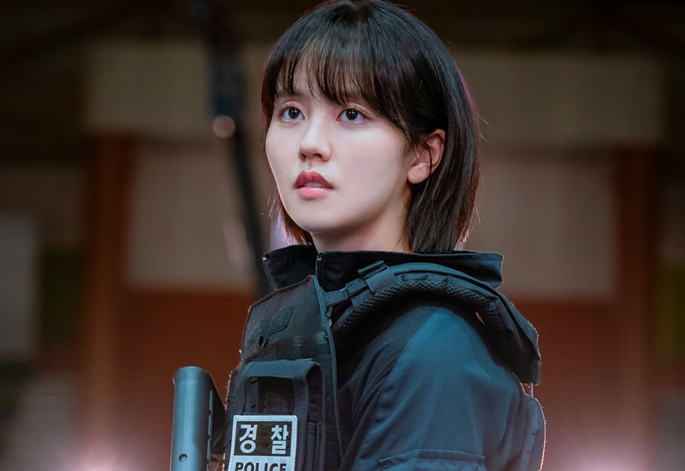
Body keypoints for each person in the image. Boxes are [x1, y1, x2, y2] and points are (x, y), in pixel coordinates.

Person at [224, 1, 545, 470]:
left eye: (352, 114)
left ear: (423, 155)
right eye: (291, 111)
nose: (310, 143)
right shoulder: (317, 328)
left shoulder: (431, 352)